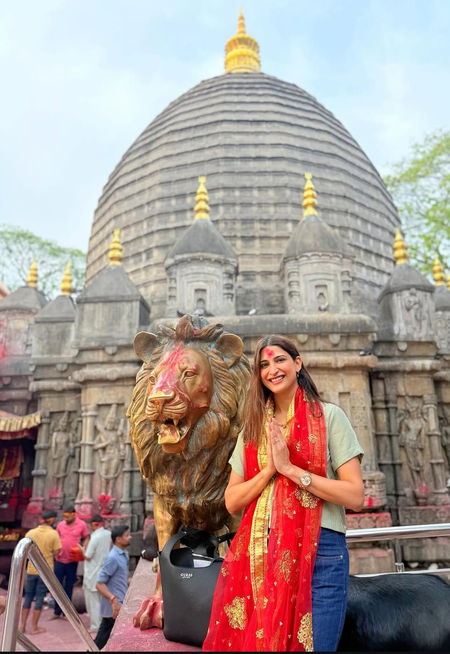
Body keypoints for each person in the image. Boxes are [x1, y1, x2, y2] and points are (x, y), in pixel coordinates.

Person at [204, 335, 364, 652]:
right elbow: (232, 501)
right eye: (264, 364)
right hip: (260, 554)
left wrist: (291, 469)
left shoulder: (329, 417)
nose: (272, 370)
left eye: (280, 360)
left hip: (321, 551)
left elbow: (355, 496)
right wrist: (269, 470)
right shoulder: (253, 429)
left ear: (297, 363)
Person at [20, 510, 61, 634]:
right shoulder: (53, 534)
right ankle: (34, 627)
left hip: (31, 570)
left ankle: (22, 626)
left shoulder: (30, 533)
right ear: (52, 519)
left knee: (28, 597)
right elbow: (56, 552)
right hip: (45, 572)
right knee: (39, 598)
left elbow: (24, 551)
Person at [94, 525, 131, 650]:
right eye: (127, 535)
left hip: (121, 604)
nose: (130, 537)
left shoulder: (124, 554)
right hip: (114, 608)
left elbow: (121, 578)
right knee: (100, 641)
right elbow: (99, 584)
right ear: (118, 539)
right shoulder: (113, 558)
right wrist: (113, 599)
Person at [49, 505, 89, 620]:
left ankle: (67, 613)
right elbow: (56, 538)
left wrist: (84, 547)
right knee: (57, 585)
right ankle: (56, 612)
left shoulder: (81, 524)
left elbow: (86, 537)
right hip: (59, 560)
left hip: (72, 560)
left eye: (68, 516)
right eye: (64, 516)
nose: (65, 518)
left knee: (69, 586)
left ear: (73, 514)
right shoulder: (60, 525)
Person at [81, 515, 112, 634]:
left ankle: (95, 626)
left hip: (92, 573)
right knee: (102, 600)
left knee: (93, 602)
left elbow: (88, 556)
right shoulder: (108, 534)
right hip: (104, 571)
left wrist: (82, 549)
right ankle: (103, 624)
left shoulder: (94, 538)